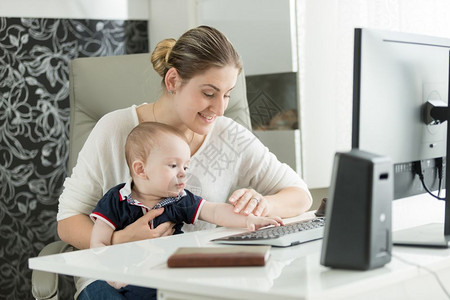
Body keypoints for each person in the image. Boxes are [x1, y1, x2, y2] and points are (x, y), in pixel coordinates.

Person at [57, 25, 313, 299]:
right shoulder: (115, 129)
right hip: (113, 277)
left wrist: (263, 204)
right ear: (172, 81)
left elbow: (300, 195)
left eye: (227, 94)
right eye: (209, 93)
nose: (220, 108)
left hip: (192, 279)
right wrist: (120, 241)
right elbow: (68, 220)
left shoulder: (229, 136)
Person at [88, 122, 284, 299]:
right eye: (173, 165)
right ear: (141, 170)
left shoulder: (179, 200)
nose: (183, 173)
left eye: (186, 167)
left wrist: (249, 220)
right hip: (125, 277)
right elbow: (98, 242)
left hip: (170, 277)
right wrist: (112, 276)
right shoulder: (116, 199)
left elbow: (214, 211)